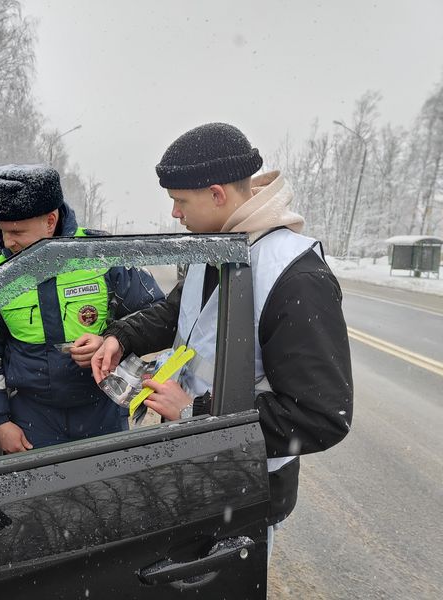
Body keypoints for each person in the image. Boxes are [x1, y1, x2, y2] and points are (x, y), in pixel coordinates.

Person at [92, 123, 353, 533]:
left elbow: (319, 415)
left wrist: (195, 412)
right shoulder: (218, 244)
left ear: (217, 194)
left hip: (243, 489)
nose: (175, 213)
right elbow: (180, 311)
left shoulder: (295, 275)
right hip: (193, 464)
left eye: (180, 201)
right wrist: (120, 336)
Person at [0, 164, 164, 453]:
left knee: (106, 494)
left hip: (102, 411)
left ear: (50, 220)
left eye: (17, 231)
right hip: (32, 420)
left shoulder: (103, 255)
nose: (8, 242)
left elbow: (156, 314)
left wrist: (112, 341)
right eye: (3, 231)